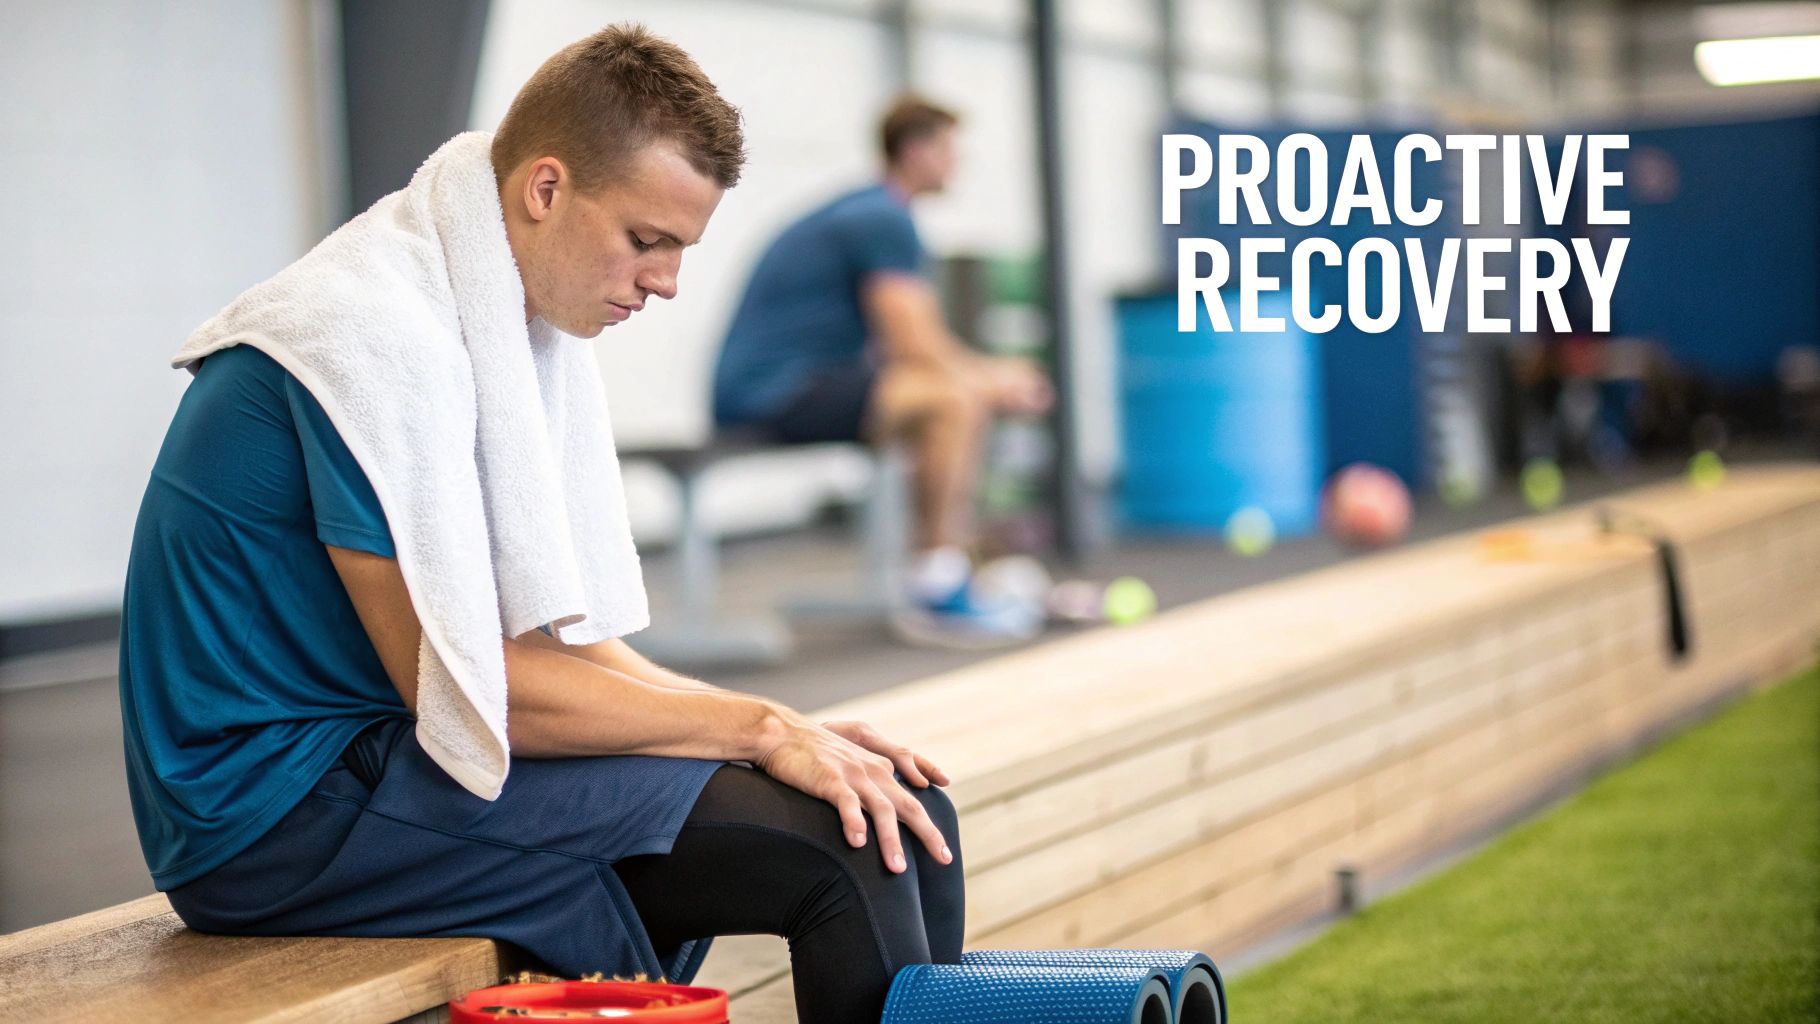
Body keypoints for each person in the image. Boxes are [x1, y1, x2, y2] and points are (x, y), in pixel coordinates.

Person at [119, 25, 960, 1024]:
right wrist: (754, 726)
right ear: (546, 189)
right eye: (646, 241)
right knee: (842, 840)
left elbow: (550, 646)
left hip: (388, 756)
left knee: (900, 806)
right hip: (275, 811)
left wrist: (783, 730)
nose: (665, 282)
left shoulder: (482, 316)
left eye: (681, 250)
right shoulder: (364, 342)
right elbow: (478, 694)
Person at [712, 96, 1054, 644]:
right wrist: (996, 378)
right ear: (916, 152)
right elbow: (913, 342)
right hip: (773, 394)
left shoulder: (868, 211)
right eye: (949, 150)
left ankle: (953, 562)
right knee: (950, 399)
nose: (958, 163)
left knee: (949, 392)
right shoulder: (883, 218)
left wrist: (983, 375)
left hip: (788, 385)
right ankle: (939, 585)